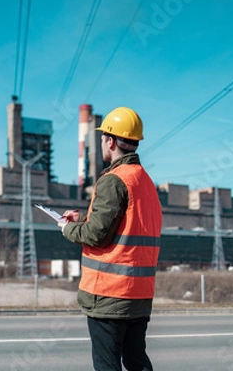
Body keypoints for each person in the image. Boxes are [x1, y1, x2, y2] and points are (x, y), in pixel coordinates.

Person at [58, 107, 162, 371]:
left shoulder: (114, 180)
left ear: (111, 141)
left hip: (109, 295)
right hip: (138, 295)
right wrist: (82, 220)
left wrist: (67, 228)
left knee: (107, 365)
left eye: (104, 138)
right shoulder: (146, 183)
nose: (103, 142)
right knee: (137, 361)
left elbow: (96, 235)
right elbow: (122, 229)